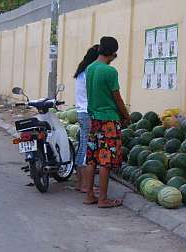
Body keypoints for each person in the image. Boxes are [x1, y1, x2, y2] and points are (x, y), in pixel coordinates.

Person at [84, 36, 130, 208]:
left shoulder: (90, 68)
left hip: (94, 119)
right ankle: (103, 199)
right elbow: (117, 97)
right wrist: (125, 115)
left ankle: (89, 195)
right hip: (109, 120)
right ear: (112, 53)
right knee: (106, 161)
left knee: (92, 159)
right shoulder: (110, 71)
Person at [74, 44, 99, 192]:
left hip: (81, 112)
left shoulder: (81, 72)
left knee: (83, 146)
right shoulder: (90, 72)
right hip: (87, 113)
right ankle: (84, 185)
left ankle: (80, 183)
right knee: (86, 149)